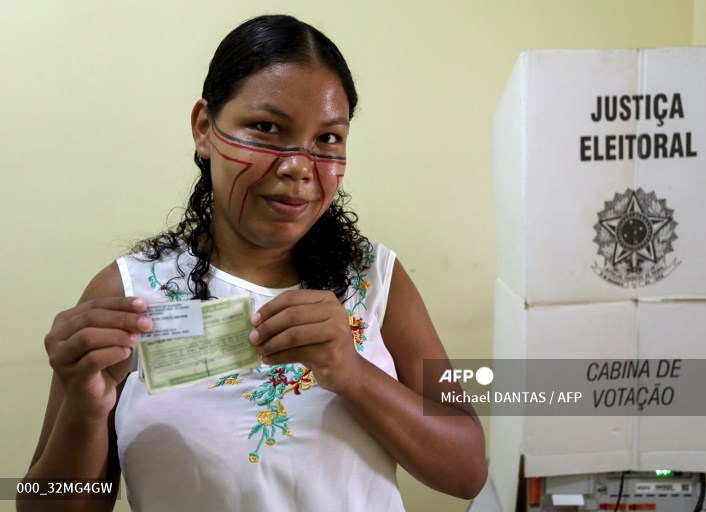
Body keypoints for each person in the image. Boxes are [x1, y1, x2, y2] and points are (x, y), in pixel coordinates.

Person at [19, 14, 486, 512]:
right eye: (266, 128)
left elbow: (467, 472)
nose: (298, 167)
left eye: (328, 139)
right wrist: (85, 409)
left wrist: (351, 373)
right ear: (204, 128)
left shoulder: (374, 277)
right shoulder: (127, 294)